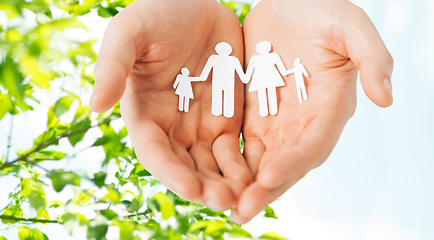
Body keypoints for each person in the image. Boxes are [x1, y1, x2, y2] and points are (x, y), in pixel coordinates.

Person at [89, 0, 394, 225]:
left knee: (257, 101)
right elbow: (219, 70)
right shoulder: (221, 60)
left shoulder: (244, 61)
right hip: (224, 84)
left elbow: (243, 74)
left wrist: (272, 71)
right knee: (223, 101)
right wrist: (197, 78)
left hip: (257, 82)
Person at [198, 42, 247, 118]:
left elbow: (204, 75)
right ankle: (224, 112)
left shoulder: (215, 58)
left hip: (222, 83)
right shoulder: (231, 60)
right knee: (226, 96)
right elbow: (243, 77)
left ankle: (222, 112)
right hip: (225, 83)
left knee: (222, 96)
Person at [244, 41, 288, 117]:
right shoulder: (271, 56)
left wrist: (244, 78)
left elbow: (283, 70)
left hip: (264, 78)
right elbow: (283, 71)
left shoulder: (269, 56)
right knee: (267, 93)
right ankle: (268, 111)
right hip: (266, 78)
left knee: (266, 93)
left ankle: (269, 111)